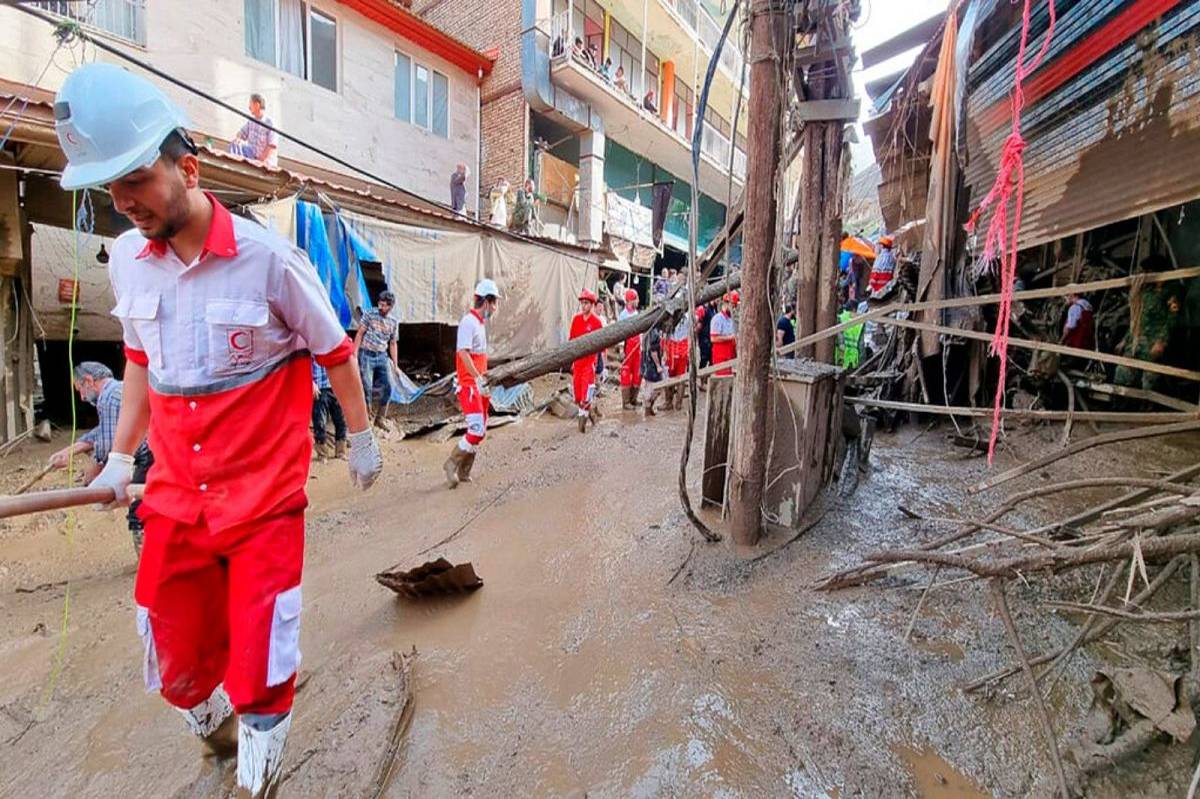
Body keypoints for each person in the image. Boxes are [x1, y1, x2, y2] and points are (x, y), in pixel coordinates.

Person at [54, 63, 382, 797]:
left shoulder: (270, 261)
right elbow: (139, 361)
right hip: (175, 495)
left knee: (265, 659)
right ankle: (213, 728)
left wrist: (361, 436)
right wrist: (116, 456)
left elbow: (334, 349)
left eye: (134, 179)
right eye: (111, 188)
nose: (123, 201)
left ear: (188, 168)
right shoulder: (129, 265)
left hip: (264, 500)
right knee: (168, 642)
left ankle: (256, 778)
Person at [49, 361, 154, 555]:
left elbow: (106, 444)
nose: (81, 397)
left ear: (89, 381)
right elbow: (102, 430)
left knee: (138, 510)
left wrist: (95, 468)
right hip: (157, 452)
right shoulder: (120, 391)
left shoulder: (108, 398)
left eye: (80, 389)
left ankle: (147, 557)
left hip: (150, 455)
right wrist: (70, 451)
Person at [443, 279, 500, 488]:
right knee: (475, 429)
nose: (494, 309)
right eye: (494, 304)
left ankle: (464, 470)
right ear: (487, 302)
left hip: (480, 383)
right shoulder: (468, 322)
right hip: (469, 383)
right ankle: (451, 463)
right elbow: (463, 353)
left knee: (481, 429)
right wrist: (477, 377)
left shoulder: (479, 324)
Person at [355, 291, 400, 431]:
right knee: (366, 387)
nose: (381, 307)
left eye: (384, 305)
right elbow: (360, 334)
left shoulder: (393, 322)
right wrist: (354, 355)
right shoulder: (369, 314)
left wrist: (396, 366)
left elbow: (393, 344)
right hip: (366, 354)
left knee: (389, 386)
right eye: (379, 304)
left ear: (390, 307)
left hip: (382, 356)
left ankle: (380, 417)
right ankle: (367, 419)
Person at [569, 289, 604, 432]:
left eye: (586, 303)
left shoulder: (596, 322)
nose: (583, 306)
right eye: (582, 303)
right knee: (577, 397)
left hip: (589, 364)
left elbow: (601, 345)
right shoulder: (576, 320)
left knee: (585, 397)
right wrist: (572, 360)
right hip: (577, 363)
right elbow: (571, 341)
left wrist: (600, 366)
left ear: (592, 304)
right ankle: (592, 414)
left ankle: (581, 428)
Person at [228, 93, 278, 167]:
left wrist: (260, 160)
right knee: (234, 144)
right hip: (252, 156)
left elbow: (272, 146)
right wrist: (238, 138)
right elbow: (242, 133)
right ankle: (235, 166)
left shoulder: (270, 123)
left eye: (250, 104)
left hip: (265, 161)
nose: (249, 107)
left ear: (257, 105)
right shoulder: (251, 121)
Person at [311, 360, 347, 461]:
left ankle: (341, 452)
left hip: (336, 386)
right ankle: (322, 454)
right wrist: (311, 382)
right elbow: (304, 368)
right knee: (319, 422)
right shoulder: (310, 350)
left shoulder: (334, 347)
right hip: (319, 388)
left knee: (341, 420)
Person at [618, 289, 643, 410]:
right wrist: (622, 349)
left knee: (637, 373)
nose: (638, 301)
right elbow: (621, 334)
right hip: (628, 347)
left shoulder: (636, 313)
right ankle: (626, 401)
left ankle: (634, 399)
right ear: (630, 300)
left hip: (637, 347)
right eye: (636, 299)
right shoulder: (623, 315)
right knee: (626, 373)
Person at [641, 317, 670, 416]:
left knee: (654, 387)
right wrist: (658, 365)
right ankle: (647, 410)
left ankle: (649, 408)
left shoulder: (653, 330)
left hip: (648, 361)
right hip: (651, 363)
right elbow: (653, 351)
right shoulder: (654, 332)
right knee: (653, 387)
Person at [665, 311, 691, 409]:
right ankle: (677, 404)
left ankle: (669, 402)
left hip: (674, 348)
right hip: (681, 348)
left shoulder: (669, 317)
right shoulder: (688, 317)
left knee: (670, 377)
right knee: (680, 377)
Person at [710, 295, 737, 377]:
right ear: (726, 304)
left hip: (730, 354)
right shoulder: (717, 319)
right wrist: (730, 337)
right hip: (720, 355)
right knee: (722, 379)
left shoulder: (730, 320)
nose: (734, 308)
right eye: (733, 306)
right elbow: (713, 338)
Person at [696, 301, 714, 370]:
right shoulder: (703, 309)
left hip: (710, 338)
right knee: (704, 360)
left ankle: (707, 377)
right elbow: (698, 326)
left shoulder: (713, 308)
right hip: (704, 339)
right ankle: (702, 378)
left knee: (712, 361)